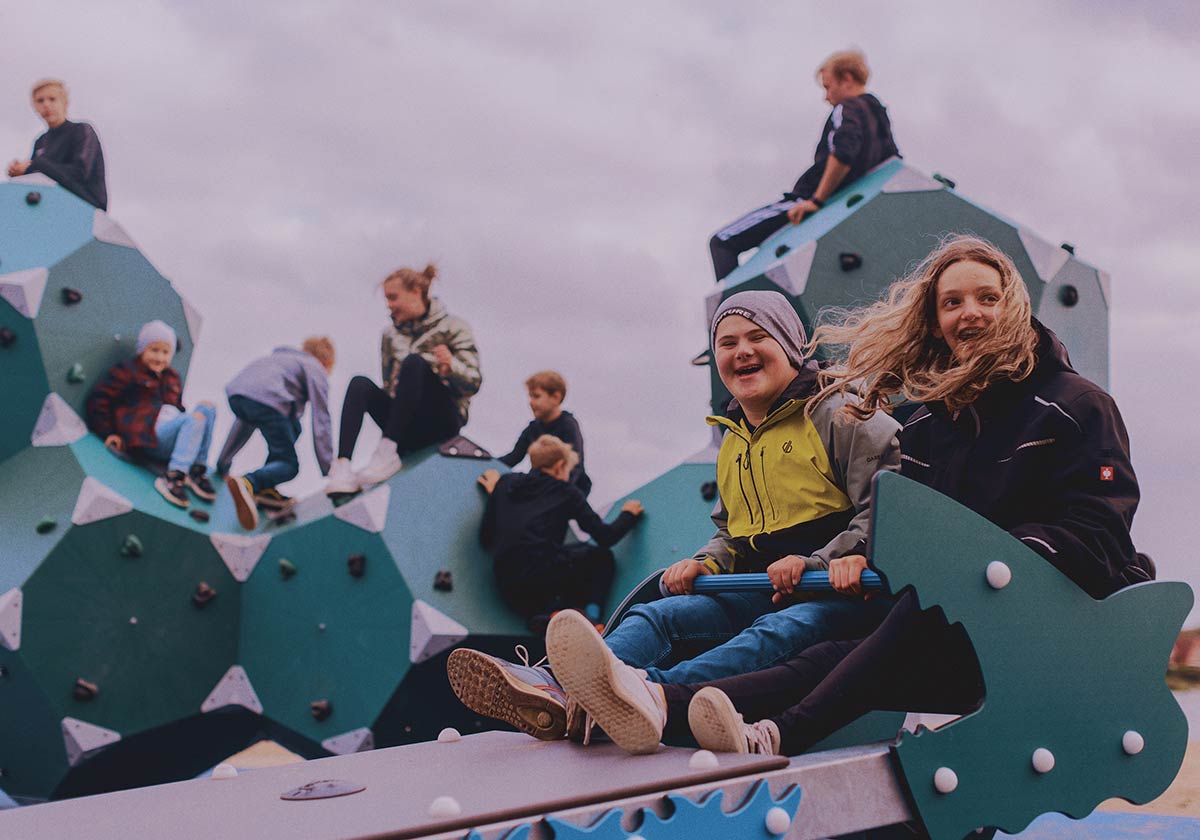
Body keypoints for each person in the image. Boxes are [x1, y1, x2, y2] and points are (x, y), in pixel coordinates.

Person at [545, 235, 1154, 756]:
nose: (970, 313)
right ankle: (609, 697)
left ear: (1014, 306)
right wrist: (868, 557)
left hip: (1038, 624)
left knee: (821, 629)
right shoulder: (927, 424)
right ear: (934, 319)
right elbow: (900, 527)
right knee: (810, 648)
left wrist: (979, 564)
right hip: (941, 620)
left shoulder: (1074, 406)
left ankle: (711, 715)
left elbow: (1099, 530)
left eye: (987, 298)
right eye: (952, 302)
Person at [447, 290, 899, 740]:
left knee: (776, 631)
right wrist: (705, 563)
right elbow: (731, 531)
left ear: (790, 345)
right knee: (658, 615)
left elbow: (889, 507)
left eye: (758, 337)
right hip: (763, 586)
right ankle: (555, 688)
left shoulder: (843, 413)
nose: (742, 351)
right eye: (727, 343)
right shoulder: (735, 440)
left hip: (837, 594)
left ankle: (642, 696)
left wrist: (817, 563)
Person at [709, 50, 898, 281]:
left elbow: (844, 151)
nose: (826, 97)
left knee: (722, 241)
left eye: (828, 87)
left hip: (808, 201)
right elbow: (894, 164)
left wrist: (816, 201)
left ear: (847, 78)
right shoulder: (879, 117)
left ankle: (735, 305)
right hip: (845, 207)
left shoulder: (846, 108)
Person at [325, 263, 481, 495]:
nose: (389, 305)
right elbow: (389, 386)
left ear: (416, 292)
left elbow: (474, 382)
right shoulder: (390, 335)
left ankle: (387, 450)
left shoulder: (454, 326)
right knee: (359, 384)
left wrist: (452, 368)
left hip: (442, 422)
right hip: (405, 428)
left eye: (393, 297)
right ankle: (342, 467)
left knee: (414, 363)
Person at [477, 434, 643, 631]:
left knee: (556, 558)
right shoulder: (566, 492)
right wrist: (628, 515)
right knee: (600, 558)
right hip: (541, 577)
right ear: (559, 466)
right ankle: (591, 619)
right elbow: (605, 537)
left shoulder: (505, 484)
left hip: (506, 583)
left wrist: (497, 497)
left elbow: (485, 537)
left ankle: (546, 614)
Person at [86, 320, 218, 509]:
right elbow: (99, 399)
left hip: (169, 434)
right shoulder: (128, 371)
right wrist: (108, 432)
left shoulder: (172, 377)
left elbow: (178, 407)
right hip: (147, 437)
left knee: (207, 408)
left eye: (165, 352)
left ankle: (197, 471)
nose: (160, 357)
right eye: (154, 350)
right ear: (142, 350)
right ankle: (173, 477)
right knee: (192, 418)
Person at [221, 338, 336, 531]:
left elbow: (244, 423)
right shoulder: (314, 366)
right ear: (326, 362)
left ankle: (266, 487)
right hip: (271, 405)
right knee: (289, 465)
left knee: (293, 426)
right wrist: (329, 469)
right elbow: (321, 417)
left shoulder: (278, 361)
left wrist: (222, 464)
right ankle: (250, 482)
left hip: (237, 397)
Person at [7, 78, 107, 211]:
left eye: (52, 99)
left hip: (88, 207)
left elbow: (79, 173)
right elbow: (37, 180)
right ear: (34, 106)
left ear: (65, 102)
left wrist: (35, 165)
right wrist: (21, 173)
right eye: (40, 101)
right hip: (51, 207)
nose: (46, 105)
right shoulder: (40, 142)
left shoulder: (82, 130)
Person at [498, 370, 591, 496]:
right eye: (530, 396)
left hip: (569, 491)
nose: (531, 402)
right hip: (543, 487)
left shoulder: (568, 425)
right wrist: (487, 464)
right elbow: (513, 457)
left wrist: (559, 493)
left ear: (556, 397)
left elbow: (575, 466)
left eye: (536, 396)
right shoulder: (533, 428)